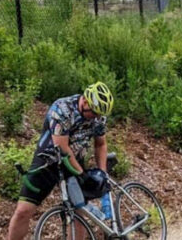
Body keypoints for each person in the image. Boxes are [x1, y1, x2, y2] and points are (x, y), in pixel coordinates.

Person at [7, 82, 114, 240]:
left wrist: (102, 172)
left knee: (79, 212)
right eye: (95, 113)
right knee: (24, 210)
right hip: (48, 161)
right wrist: (82, 174)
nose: (97, 118)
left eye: (100, 115)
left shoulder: (98, 117)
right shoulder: (62, 109)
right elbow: (63, 148)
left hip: (74, 161)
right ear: (85, 102)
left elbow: (101, 144)